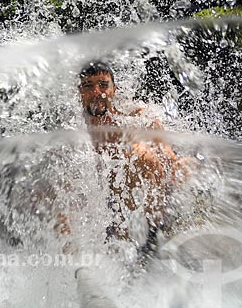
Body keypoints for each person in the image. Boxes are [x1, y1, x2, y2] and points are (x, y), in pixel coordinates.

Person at [75, 60, 190, 243]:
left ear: (114, 90)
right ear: (80, 92)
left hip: (147, 213)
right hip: (98, 211)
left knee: (139, 153)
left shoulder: (137, 116)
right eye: (88, 86)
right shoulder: (73, 127)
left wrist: (182, 167)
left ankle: (149, 240)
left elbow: (168, 159)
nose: (97, 93)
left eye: (103, 85)